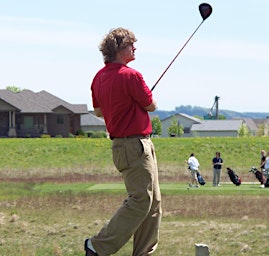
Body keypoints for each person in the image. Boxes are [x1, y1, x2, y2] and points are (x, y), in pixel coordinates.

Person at [85, 27, 162, 256]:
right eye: (131, 44)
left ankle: (143, 252)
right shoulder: (132, 76)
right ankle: (97, 246)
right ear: (119, 49)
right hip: (135, 144)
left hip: (124, 146)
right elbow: (151, 105)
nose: (134, 48)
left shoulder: (99, 77)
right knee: (141, 201)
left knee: (153, 204)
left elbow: (99, 111)